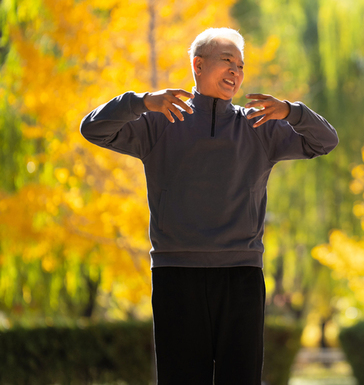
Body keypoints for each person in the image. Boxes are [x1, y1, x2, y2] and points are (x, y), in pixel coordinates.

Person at [80, 27, 338, 384]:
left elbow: (325, 141)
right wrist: (141, 102)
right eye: (227, 61)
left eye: (241, 65)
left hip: (242, 273)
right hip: (176, 273)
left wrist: (292, 112)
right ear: (198, 66)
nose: (236, 71)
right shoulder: (160, 121)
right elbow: (93, 129)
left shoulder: (259, 125)